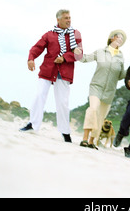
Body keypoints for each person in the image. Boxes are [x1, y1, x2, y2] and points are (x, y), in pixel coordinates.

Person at [20, 9, 83, 143]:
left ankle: (65, 132)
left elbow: (79, 54)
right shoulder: (49, 35)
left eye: (70, 17)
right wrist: (31, 59)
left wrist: (64, 58)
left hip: (64, 73)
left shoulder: (75, 34)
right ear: (58, 20)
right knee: (39, 96)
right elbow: (36, 48)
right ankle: (32, 124)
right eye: (66, 18)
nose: (69, 20)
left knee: (63, 103)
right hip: (48, 70)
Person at [80, 30, 126, 149]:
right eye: (118, 37)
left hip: (109, 92)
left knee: (100, 117)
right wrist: (76, 52)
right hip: (96, 86)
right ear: (112, 38)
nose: (120, 39)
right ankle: (84, 138)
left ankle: (91, 141)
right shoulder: (100, 52)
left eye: (122, 39)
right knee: (93, 109)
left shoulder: (121, 57)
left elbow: (120, 75)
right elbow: (84, 58)